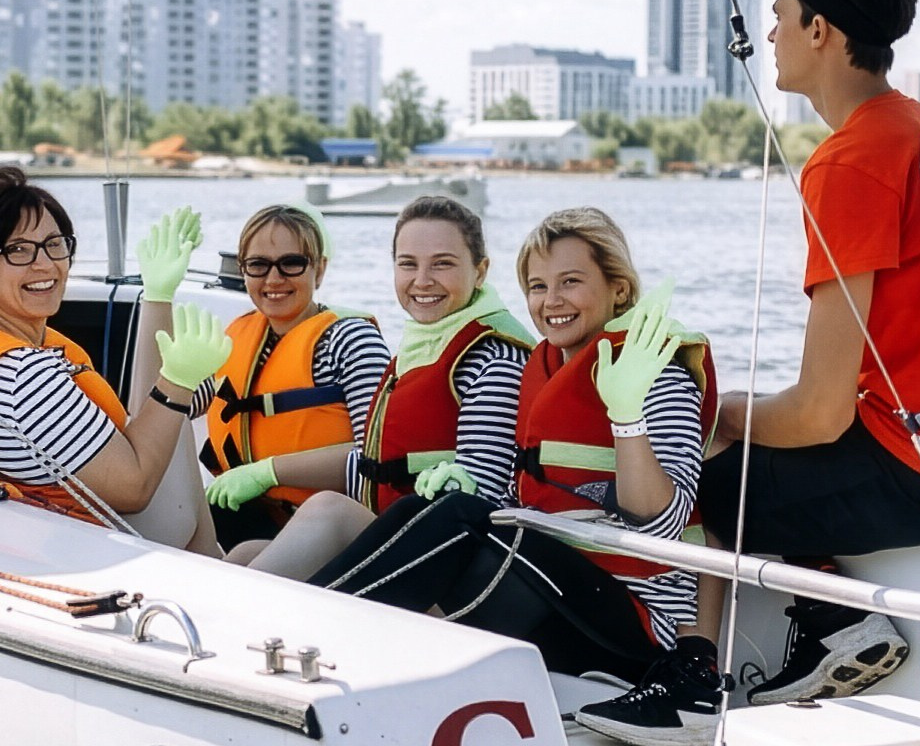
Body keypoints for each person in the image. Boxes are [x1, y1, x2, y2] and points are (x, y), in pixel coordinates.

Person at [581, 0, 920, 746]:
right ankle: (825, 618)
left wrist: (720, 414)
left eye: (781, 16)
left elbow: (822, 413)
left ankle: (699, 689)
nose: (769, 33)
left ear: (820, 30)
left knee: (707, 474)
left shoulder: (854, 159)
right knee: (750, 436)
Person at [308, 208, 714, 691]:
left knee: (457, 518)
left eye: (570, 282)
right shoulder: (543, 370)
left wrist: (627, 415)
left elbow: (662, 525)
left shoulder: (656, 374)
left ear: (619, 289)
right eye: (538, 286)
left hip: (633, 626)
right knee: (430, 507)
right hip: (553, 588)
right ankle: (313, 618)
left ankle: (314, 633)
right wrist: (464, 481)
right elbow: (522, 499)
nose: (551, 301)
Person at [230, 194, 532, 582]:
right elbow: (377, 464)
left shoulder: (494, 359)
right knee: (243, 555)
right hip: (397, 530)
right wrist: (266, 474)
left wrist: (271, 473)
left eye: (442, 264)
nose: (422, 280)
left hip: (446, 563)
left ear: (481, 271)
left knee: (327, 512)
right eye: (408, 264)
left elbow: (479, 496)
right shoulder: (424, 347)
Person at [0, 170, 225, 533]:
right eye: (18, 250)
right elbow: (134, 488)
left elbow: (140, 423)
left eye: (54, 244)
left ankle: (217, 558)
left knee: (173, 419)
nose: (44, 263)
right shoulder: (21, 376)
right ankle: (219, 560)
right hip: (84, 540)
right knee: (176, 424)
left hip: (23, 531)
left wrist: (159, 302)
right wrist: (179, 383)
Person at [194, 203, 389, 562]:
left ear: (320, 269)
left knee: (242, 559)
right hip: (253, 518)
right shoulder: (235, 339)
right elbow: (173, 408)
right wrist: (158, 298)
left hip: (331, 527)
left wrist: (267, 472)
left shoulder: (350, 341)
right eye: (258, 265)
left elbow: (377, 455)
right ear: (243, 270)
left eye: (291, 263)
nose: (273, 279)